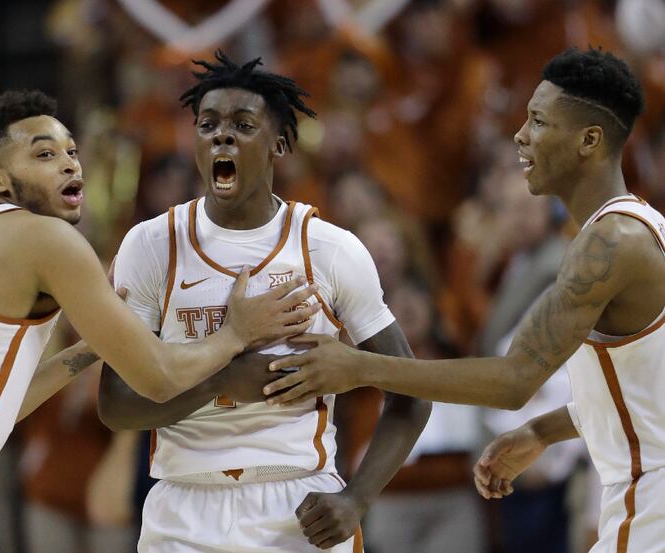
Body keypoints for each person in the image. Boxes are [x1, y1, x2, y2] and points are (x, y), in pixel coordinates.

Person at [0, 89, 318, 553]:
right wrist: (236, 334)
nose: (69, 163)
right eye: (44, 155)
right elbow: (159, 378)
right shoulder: (44, 237)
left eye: (71, 150)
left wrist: (90, 347)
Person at [262, 48, 663, 553]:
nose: (519, 135)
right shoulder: (638, 227)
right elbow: (644, 390)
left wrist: (360, 367)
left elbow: (514, 378)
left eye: (538, 121)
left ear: (589, 140)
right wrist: (543, 431)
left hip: (651, 500)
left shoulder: (609, 244)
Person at [96, 51, 431, 553]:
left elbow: (410, 393)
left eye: (242, 124)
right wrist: (225, 378)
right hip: (184, 504)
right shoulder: (150, 245)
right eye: (207, 124)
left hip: (298, 500)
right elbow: (116, 405)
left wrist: (358, 499)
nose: (221, 135)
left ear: (278, 143)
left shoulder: (330, 249)